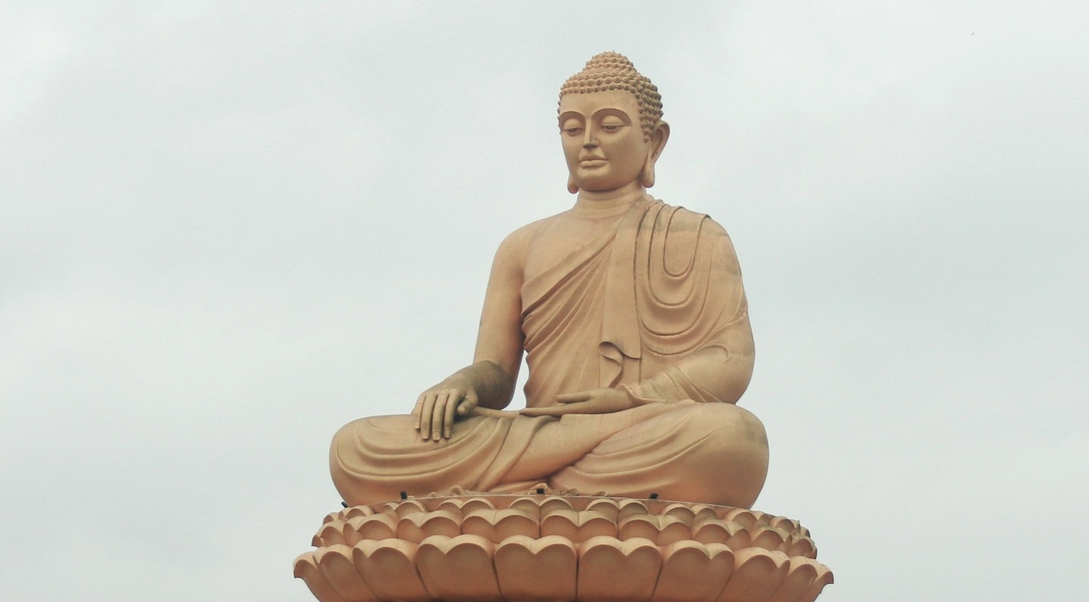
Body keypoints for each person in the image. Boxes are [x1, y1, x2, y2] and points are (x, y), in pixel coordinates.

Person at [327, 53, 768, 511]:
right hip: (538, 431)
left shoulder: (696, 235)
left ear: (653, 142)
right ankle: (558, 482)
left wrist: (624, 400)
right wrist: (464, 385)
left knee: (731, 438)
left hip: (638, 425)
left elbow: (730, 360)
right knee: (355, 446)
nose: (588, 143)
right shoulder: (523, 245)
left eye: (610, 126)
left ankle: (513, 492)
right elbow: (497, 375)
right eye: (572, 129)